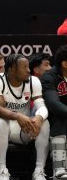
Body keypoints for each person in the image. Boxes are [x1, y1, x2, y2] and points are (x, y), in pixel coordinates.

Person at [0, 54, 50, 180]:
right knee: (0, 122)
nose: (28, 70)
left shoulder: (33, 81)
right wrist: (17, 116)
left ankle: (39, 170)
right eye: (24, 67)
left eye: (28, 67)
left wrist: (38, 118)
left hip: (25, 129)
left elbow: (41, 105)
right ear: (11, 68)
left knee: (45, 122)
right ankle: (2, 171)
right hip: (4, 129)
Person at [40, 45, 67, 179]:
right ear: (65, 63)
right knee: (59, 118)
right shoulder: (49, 77)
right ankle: (59, 168)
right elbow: (53, 103)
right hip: (57, 116)